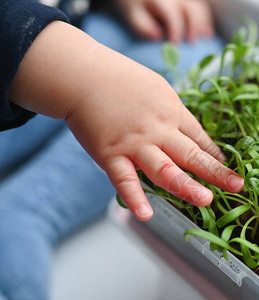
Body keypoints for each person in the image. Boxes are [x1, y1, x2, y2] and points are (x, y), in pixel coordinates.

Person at [0, 0, 244, 299]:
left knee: (194, 48)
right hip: (16, 34)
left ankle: (28, 204)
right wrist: (88, 79)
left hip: (68, 18)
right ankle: (30, 214)